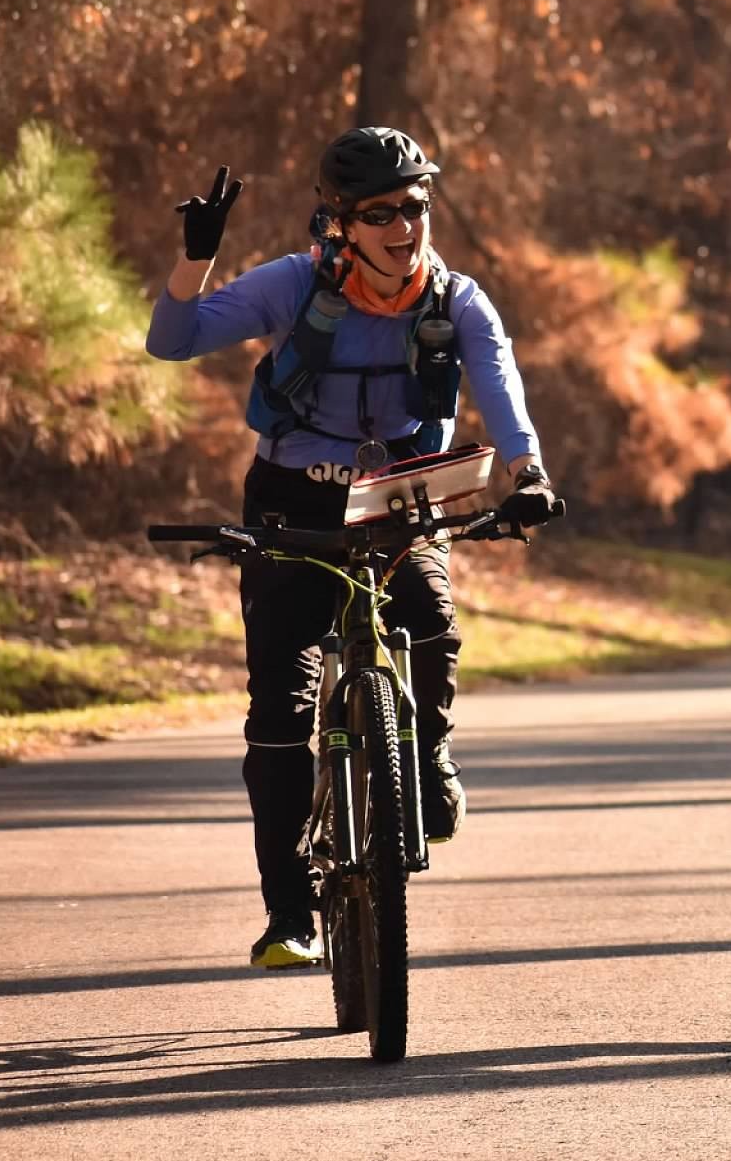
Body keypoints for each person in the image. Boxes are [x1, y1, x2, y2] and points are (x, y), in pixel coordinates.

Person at [148, 126, 566, 968]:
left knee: (429, 615)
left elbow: (501, 391)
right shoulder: (296, 285)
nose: (403, 227)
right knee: (279, 714)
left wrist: (528, 473)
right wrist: (195, 258)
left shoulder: (457, 301)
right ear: (341, 222)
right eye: (380, 213)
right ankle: (290, 915)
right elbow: (173, 339)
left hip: (404, 493)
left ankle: (428, 750)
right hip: (293, 498)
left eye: (414, 207)